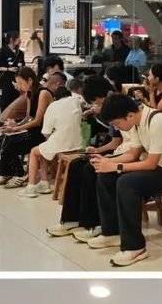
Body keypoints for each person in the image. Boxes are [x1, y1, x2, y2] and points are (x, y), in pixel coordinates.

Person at [91, 93, 162, 266]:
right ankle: (112, 231)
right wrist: (108, 162)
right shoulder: (137, 122)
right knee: (105, 176)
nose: (117, 128)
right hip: (160, 166)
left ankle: (135, 247)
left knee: (126, 183)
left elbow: (150, 164)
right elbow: (133, 154)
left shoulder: (159, 121)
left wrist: (115, 166)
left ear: (129, 115)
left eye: (117, 124)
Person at [45, 74, 115, 240]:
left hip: (121, 152)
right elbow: (115, 141)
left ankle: (93, 223)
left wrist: (99, 151)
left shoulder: (116, 105)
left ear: (101, 95)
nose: (95, 105)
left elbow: (118, 142)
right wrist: (98, 150)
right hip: (113, 149)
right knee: (76, 164)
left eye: (96, 101)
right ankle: (71, 219)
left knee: (90, 169)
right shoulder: (108, 104)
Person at [0, 66, 53, 187]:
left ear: (30, 80)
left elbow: (38, 121)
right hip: (33, 130)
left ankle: (19, 174)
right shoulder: (29, 93)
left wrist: (16, 128)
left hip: (42, 133)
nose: (19, 86)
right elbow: (28, 117)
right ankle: (7, 172)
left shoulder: (43, 93)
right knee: (0, 136)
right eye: (17, 83)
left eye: (21, 83)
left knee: (10, 141)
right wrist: (15, 124)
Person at [20, 76, 83, 196]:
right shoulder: (76, 101)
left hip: (63, 143)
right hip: (78, 143)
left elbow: (46, 132)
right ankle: (44, 183)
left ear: (55, 97)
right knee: (43, 149)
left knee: (34, 152)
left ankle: (31, 187)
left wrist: (52, 139)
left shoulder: (52, 106)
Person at [0, 30, 24, 113]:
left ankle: (13, 119)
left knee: (16, 102)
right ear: (11, 39)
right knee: (4, 102)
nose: (19, 39)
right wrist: (8, 69)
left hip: (17, 81)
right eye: (17, 37)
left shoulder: (20, 53)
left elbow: (22, 65)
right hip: (4, 82)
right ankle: (3, 119)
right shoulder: (2, 51)